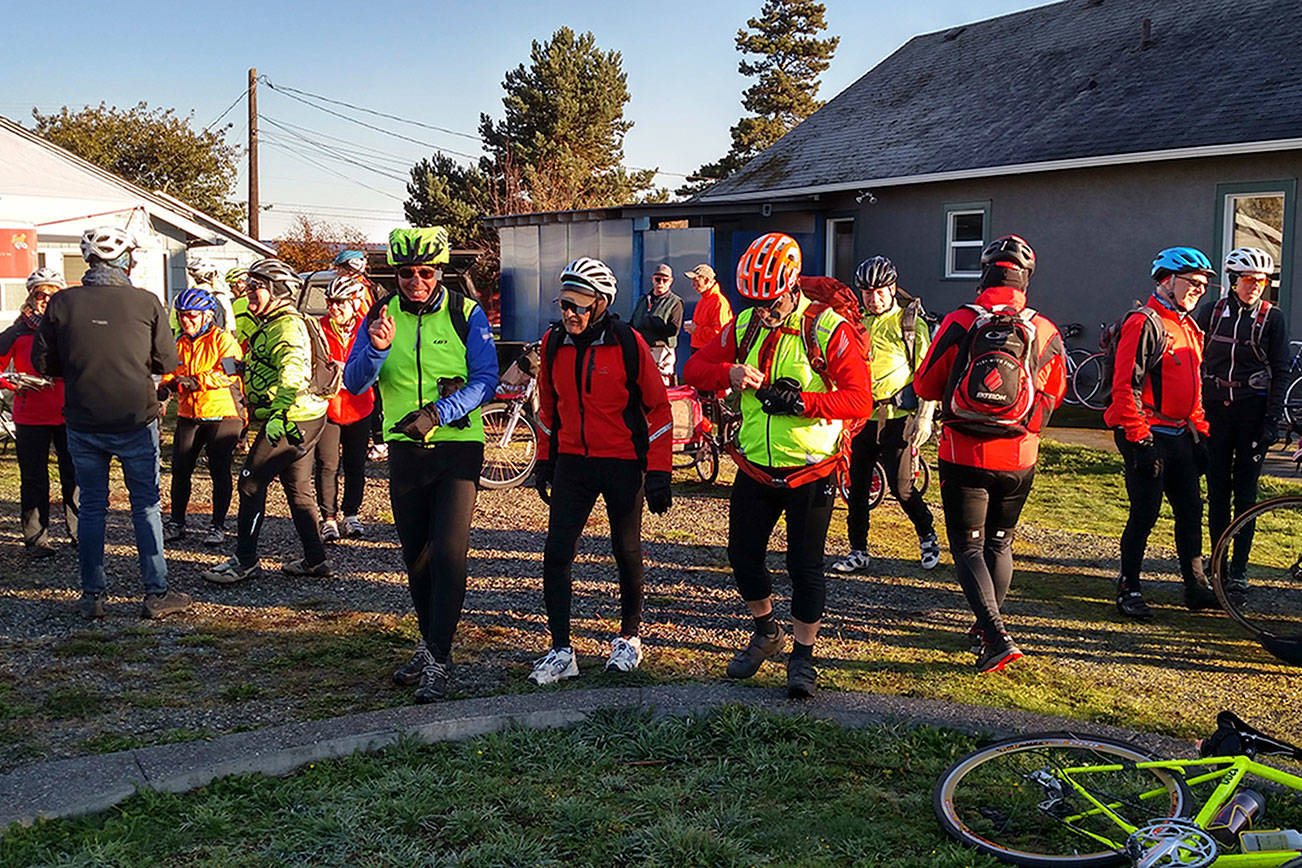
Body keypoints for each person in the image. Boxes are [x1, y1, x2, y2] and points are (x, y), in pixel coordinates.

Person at [683, 232, 872, 698]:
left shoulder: (827, 328)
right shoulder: (746, 323)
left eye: (770, 302)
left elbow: (860, 399)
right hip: (755, 468)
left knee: (804, 566)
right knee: (743, 556)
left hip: (811, 469)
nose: (763, 312)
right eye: (755, 301)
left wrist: (802, 402)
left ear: (790, 289)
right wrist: (727, 372)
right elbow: (693, 370)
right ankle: (767, 631)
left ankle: (803, 657)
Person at [343, 227, 496, 703]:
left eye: (425, 273)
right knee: (417, 556)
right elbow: (353, 382)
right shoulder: (379, 313)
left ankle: (438, 657)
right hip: (404, 449)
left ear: (439, 272)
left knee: (448, 551)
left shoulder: (464, 312)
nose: (415, 281)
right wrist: (377, 350)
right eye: (405, 273)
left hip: (457, 448)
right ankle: (433, 647)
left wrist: (438, 413)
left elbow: (485, 380)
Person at [913, 235, 1066, 672]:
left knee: (968, 547)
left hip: (965, 450)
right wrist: (1029, 428)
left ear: (985, 274)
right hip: (1019, 454)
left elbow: (924, 385)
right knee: (1001, 542)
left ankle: (996, 635)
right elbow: (1056, 391)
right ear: (1026, 278)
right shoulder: (1045, 327)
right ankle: (988, 626)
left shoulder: (962, 320)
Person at [527, 257, 674, 686]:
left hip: (623, 461)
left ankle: (629, 638)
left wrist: (660, 471)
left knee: (625, 550)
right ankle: (561, 650)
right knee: (556, 553)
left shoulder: (628, 342)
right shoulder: (554, 342)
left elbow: (659, 408)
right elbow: (549, 407)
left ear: (601, 303)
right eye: (564, 304)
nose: (569, 313)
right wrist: (545, 458)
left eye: (579, 304)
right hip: (574, 461)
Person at [32, 226, 189, 620]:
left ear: (88, 261)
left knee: (92, 508)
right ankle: (156, 594)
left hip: (83, 419)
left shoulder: (61, 304)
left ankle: (92, 597)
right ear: (126, 261)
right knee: (146, 507)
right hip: (135, 417)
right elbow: (167, 363)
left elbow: (43, 364)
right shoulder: (147, 302)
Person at [1103, 246, 1220, 619]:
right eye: (1193, 283)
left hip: (1179, 433)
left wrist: (1200, 431)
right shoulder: (1145, 322)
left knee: (1190, 510)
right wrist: (1140, 440)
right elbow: (1125, 387)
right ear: (1167, 281)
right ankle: (1129, 588)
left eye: (1204, 286)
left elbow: (1195, 389)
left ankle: (1196, 585)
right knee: (1145, 512)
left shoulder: (1189, 326)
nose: (1199, 290)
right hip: (1148, 431)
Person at [201, 258, 331, 584]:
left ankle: (244, 561)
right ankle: (315, 560)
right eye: (249, 285)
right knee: (298, 489)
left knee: (250, 483)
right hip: (308, 416)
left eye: (256, 286)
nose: (248, 292)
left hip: (290, 418)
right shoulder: (274, 321)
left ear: (277, 290)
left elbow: (293, 373)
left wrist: (277, 412)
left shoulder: (285, 326)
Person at [831, 256, 941, 575]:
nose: (874, 298)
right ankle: (858, 549)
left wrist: (925, 416)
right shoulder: (856, 323)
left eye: (880, 291)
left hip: (899, 417)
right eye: (867, 292)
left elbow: (928, 375)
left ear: (893, 289)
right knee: (857, 486)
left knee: (901, 485)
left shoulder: (910, 324)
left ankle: (927, 536)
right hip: (861, 416)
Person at [1196, 248, 1290, 605]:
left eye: (1261, 281)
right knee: (1218, 489)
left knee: (1246, 494)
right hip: (1217, 411)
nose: (1255, 287)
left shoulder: (1272, 318)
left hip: (1253, 413)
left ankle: (1240, 568)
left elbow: (1281, 370)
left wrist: (1272, 420)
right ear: (1234, 280)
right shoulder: (1213, 313)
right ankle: (1218, 561)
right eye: (1248, 280)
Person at [0, 268, 78, 557]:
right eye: (39, 294)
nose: (45, 299)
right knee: (33, 478)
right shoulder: (16, 331)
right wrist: (13, 382)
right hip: (30, 415)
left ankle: (80, 533)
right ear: (31, 297)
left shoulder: (71, 329)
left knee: (74, 475)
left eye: (51, 294)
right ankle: (36, 539)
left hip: (68, 412)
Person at [159, 287, 245, 547]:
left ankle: (217, 526)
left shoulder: (223, 340)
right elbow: (169, 371)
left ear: (207, 315)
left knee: (219, 470)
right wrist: (166, 384)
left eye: (192, 316)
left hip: (223, 413)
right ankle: (176, 522)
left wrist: (196, 381)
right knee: (180, 468)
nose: (186, 320)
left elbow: (232, 373)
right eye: (182, 315)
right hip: (189, 413)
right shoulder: (179, 341)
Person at [314, 274, 374, 541]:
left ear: (354, 303)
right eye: (330, 302)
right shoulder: (318, 328)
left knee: (355, 464)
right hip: (327, 407)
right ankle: (328, 517)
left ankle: (351, 514)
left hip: (359, 406)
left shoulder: (367, 328)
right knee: (327, 464)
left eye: (340, 303)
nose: (334, 308)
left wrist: (347, 370)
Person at [631, 263, 684, 385]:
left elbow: (673, 329)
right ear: (652, 279)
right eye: (657, 279)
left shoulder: (675, 302)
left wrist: (652, 323)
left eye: (665, 280)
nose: (661, 283)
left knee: (660, 386)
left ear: (670, 281)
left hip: (661, 351)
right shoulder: (643, 300)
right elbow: (633, 322)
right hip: (642, 349)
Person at [683, 264, 733, 353]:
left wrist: (696, 329)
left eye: (696, 280)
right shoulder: (705, 299)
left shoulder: (718, 302)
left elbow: (719, 334)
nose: (693, 285)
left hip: (709, 352)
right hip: (701, 350)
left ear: (706, 280)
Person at [185, 255, 236, 333]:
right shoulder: (220, 297)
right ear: (210, 275)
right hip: (216, 342)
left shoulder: (182, 298)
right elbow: (230, 327)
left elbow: (174, 327)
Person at [226, 266, 260, 348]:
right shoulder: (255, 300)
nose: (231, 290)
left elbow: (236, 331)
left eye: (231, 285)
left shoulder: (240, 302)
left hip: (244, 346)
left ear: (240, 284)